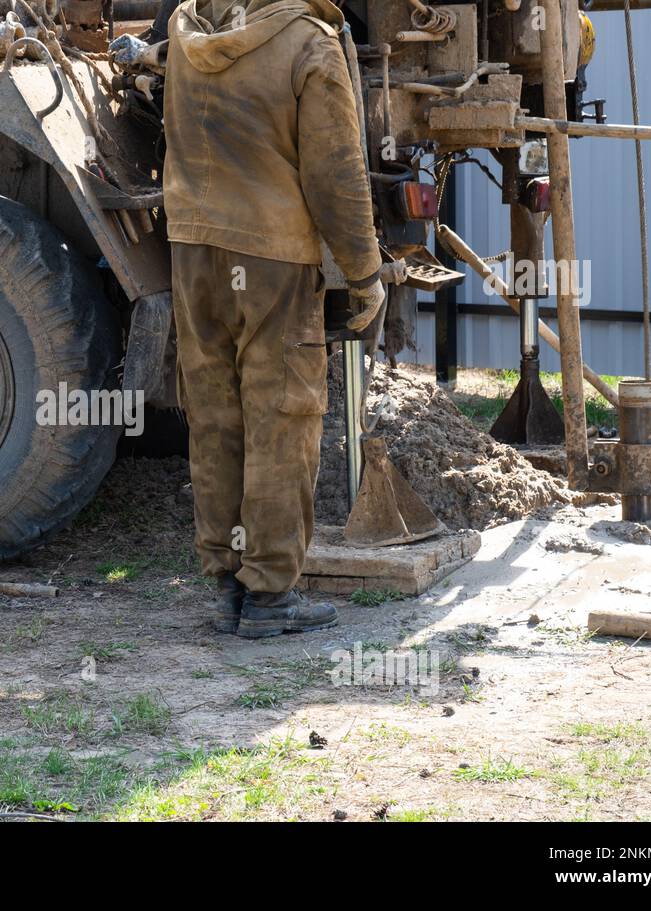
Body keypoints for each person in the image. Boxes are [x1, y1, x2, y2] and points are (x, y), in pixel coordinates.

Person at [163, 0, 385, 638]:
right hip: (272, 256)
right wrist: (365, 274)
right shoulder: (307, 43)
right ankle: (269, 595)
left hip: (193, 250)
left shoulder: (185, 33)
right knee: (281, 415)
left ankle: (227, 584)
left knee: (214, 413)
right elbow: (335, 175)